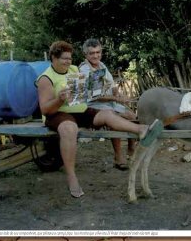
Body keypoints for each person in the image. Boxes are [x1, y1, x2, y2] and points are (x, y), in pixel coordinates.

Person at [36, 41, 162, 198]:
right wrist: (60, 100)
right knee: (69, 128)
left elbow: (83, 96)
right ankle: (71, 176)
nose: (68, 61)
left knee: (108, 114)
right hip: (57, 113)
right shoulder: (46, 78)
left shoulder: (74, 70)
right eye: (64, 58)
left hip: (79, 110)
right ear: (54, 58)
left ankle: (142, 130)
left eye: (70, 58)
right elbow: (45, 109)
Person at [79, 38, 136, 171]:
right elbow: (96, 95)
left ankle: (131, 149)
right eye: (92, 53)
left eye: (98, 52)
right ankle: (118, 156)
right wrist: (117, 99)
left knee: (132, 116)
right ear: (85, 55)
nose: (95, 55)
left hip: (109, 102)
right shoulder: (85, 70)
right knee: (115, 119)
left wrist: (118, 94)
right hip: (93, 105)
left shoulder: (101, 65)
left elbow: (111, 84)